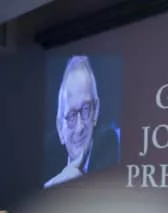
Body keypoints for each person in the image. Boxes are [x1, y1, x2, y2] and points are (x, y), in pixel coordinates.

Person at [44, 55, 120, 189]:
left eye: (85, 109)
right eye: (71, 116)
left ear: (95, 110)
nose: (79, 127)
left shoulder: (108, 143)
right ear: (60, 128)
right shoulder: (49, 155)